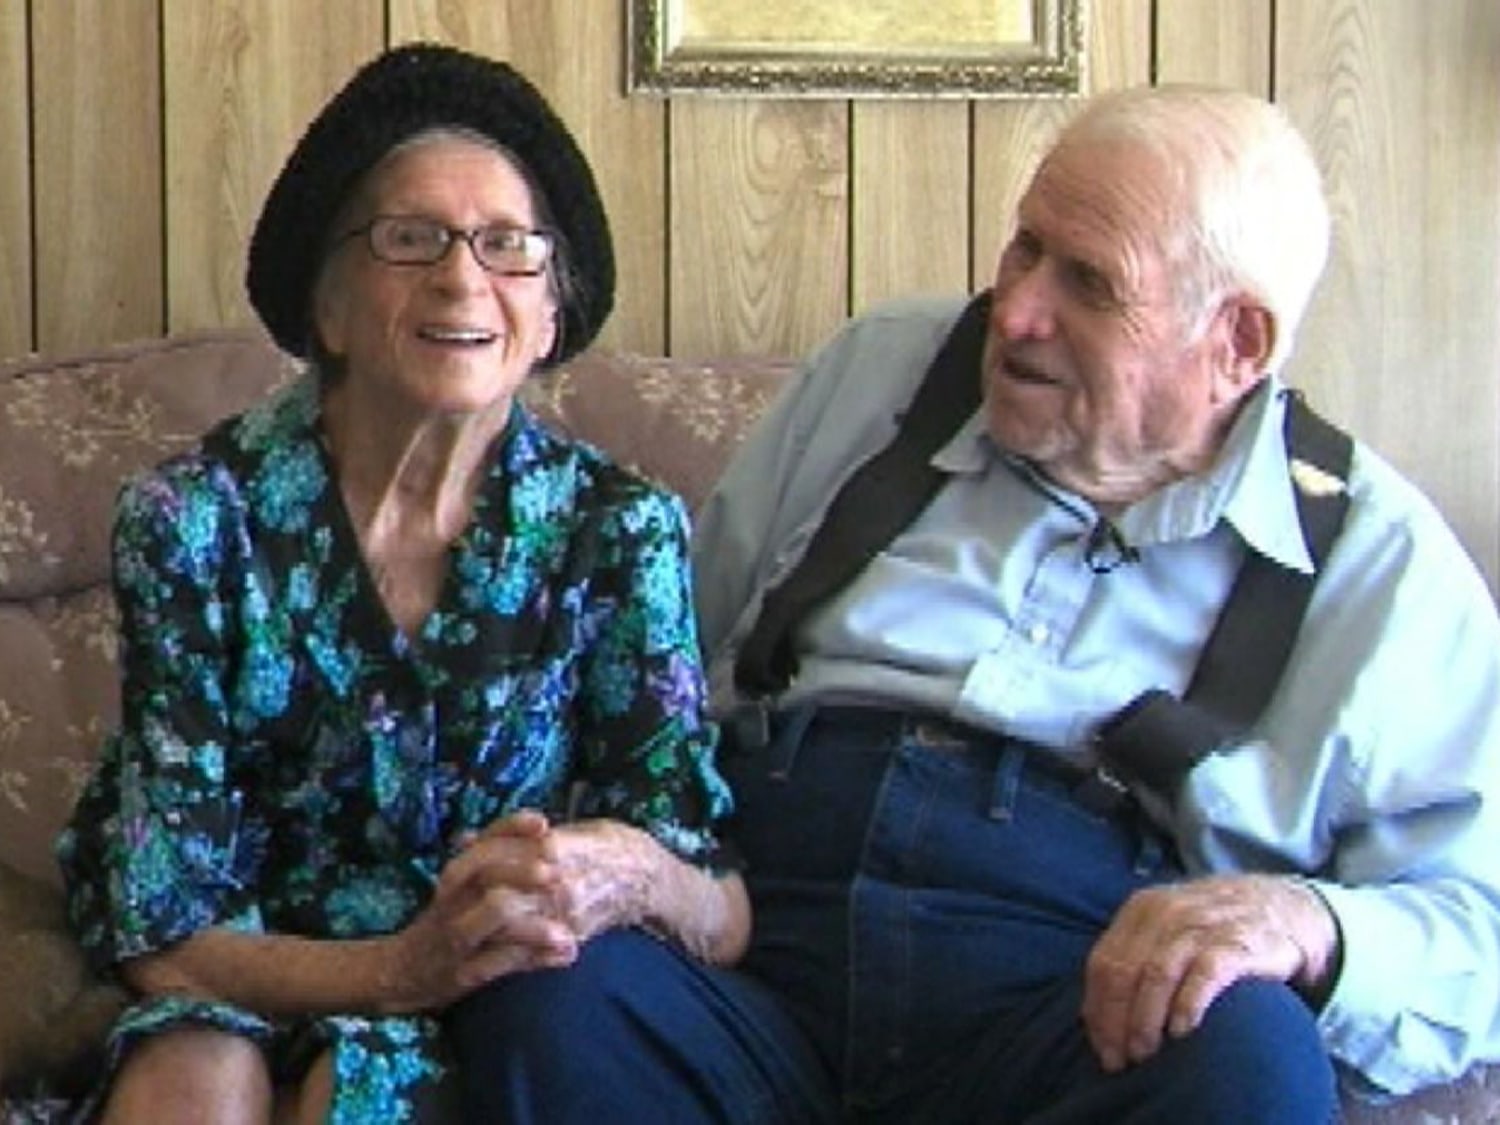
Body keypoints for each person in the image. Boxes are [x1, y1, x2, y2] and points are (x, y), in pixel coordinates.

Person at [693, 83, 1500, 1122]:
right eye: (1025, 248)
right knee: (557, 991)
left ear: (1238, 343)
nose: (1018, 312)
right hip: (753, 945)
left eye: (1089, 282)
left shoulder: (1380, 569)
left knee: (1250, 1060)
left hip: (1078, 1014)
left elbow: (1479, 935)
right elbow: (667, 655)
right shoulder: (882, 372)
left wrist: (1307, 927)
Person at [55, 43, 825, 1124]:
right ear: (327, 309)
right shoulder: (191, 522)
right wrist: (398, 969)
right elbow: (165, 929)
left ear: (549, 317)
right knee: (195, 1074)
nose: (464, 279)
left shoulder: (619, 531)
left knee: (363, 1096)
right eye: (410, 238)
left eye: (508, 246)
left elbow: (717, 901)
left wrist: (620, 873)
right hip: (247, 972)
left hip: (497, 1007)